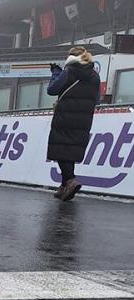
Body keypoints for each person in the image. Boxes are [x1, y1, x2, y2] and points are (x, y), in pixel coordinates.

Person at [47, 46, 100, 202]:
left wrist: (55, 73)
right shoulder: (95, 76)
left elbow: (52, 89)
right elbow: (97, 99)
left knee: (61, 149)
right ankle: (64, 186)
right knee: (70, 149)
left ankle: (70, 180)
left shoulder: (69, 71)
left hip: (65, 116)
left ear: (70, 58)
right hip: (84, 119)